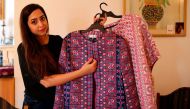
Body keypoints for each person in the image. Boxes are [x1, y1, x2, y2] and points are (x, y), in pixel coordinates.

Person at [17, 4, 97, 109]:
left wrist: (95, 27)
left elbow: (80, 47)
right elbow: (46, 81)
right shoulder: (24, 49)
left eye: (42, 18)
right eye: (34, 22)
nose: (41, 24)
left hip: (58, 99)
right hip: (37, 104)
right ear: (27, 26)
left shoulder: (57, 41)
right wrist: (83, 72)